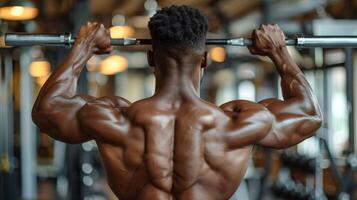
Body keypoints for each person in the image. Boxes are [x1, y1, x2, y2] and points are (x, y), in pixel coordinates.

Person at [32, 5, 322, 200]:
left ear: (150, 58)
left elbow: (48, 110)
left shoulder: (115, 118)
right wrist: (279, 52)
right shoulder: (238, 122)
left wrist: (84, 47)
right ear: (206, 59)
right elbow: (309, 115)